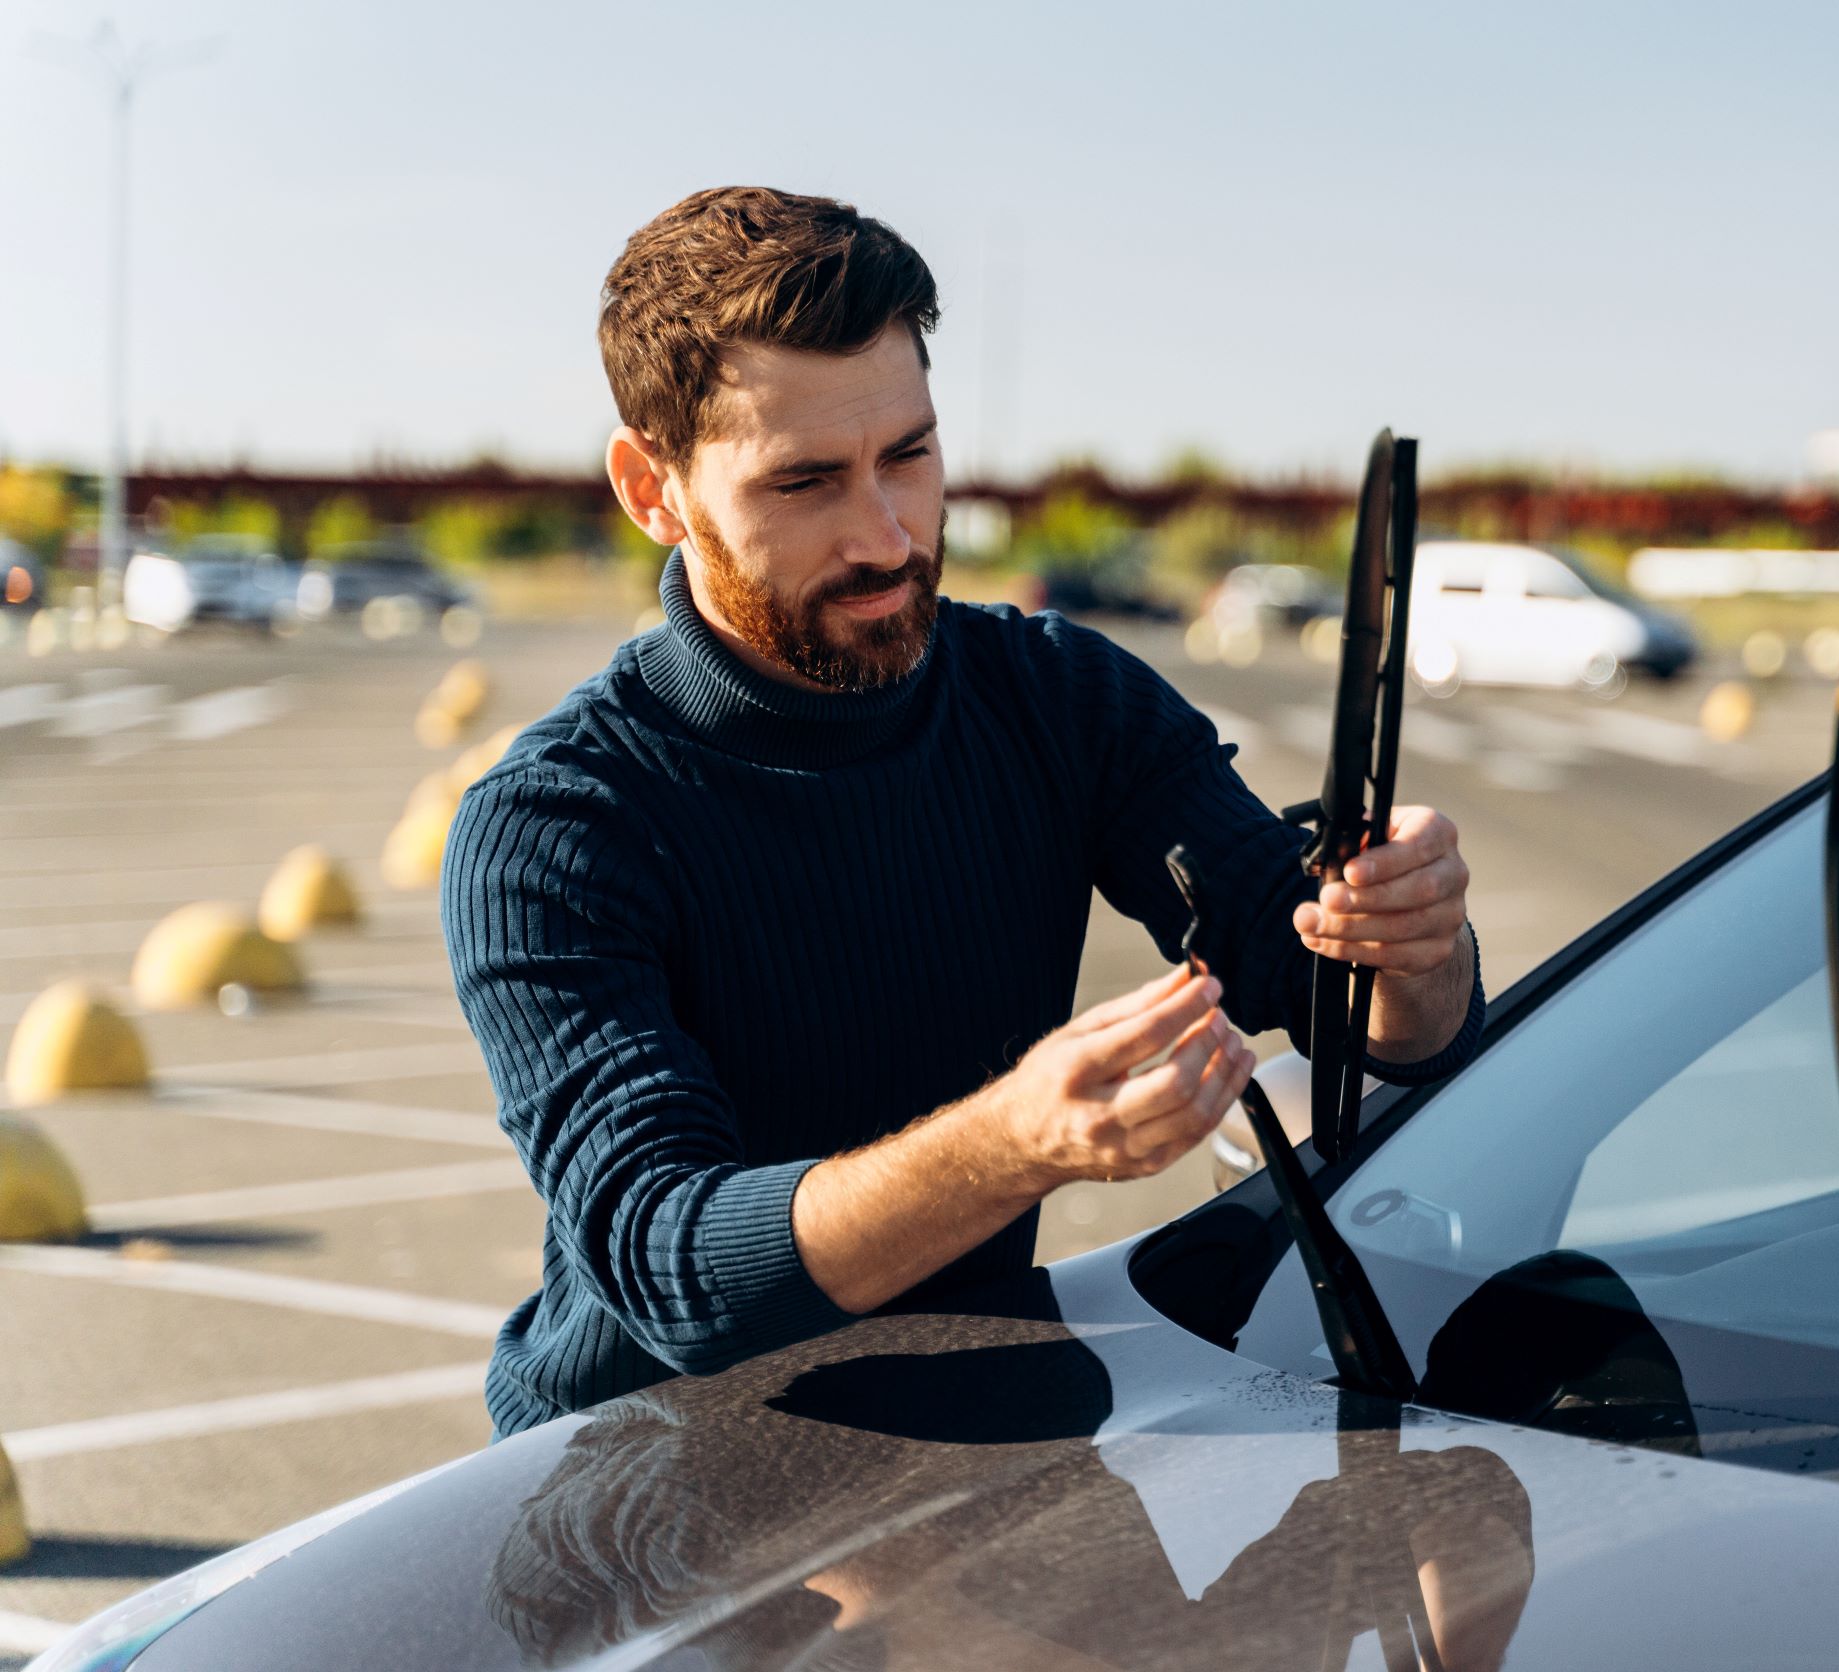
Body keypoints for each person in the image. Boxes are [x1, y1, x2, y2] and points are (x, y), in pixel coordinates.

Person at [444, 186, 1482, 1436]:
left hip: (974, 1432)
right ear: (651, 489)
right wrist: (1013, 1141)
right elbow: (674, 1264)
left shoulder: (1059, 698)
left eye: (909, 456)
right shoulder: (557, 824)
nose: (886, 536)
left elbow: (1334, 995)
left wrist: (1413, 946)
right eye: (805, 483)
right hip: (644, 1477)